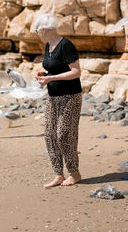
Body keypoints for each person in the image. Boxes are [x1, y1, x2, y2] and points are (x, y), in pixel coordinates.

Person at [34, 13, 83, 188]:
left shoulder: (66, 45)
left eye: (36, 30)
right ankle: (58, 174)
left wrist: (51, 79)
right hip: (53, 97)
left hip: (70, 96)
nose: (36, 34)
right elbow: (55, 69)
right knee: (50, 135)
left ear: (44, 30)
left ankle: (74, 174)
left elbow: (76, 72)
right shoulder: (49, 45)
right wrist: (44, 75)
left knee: (64, 135)